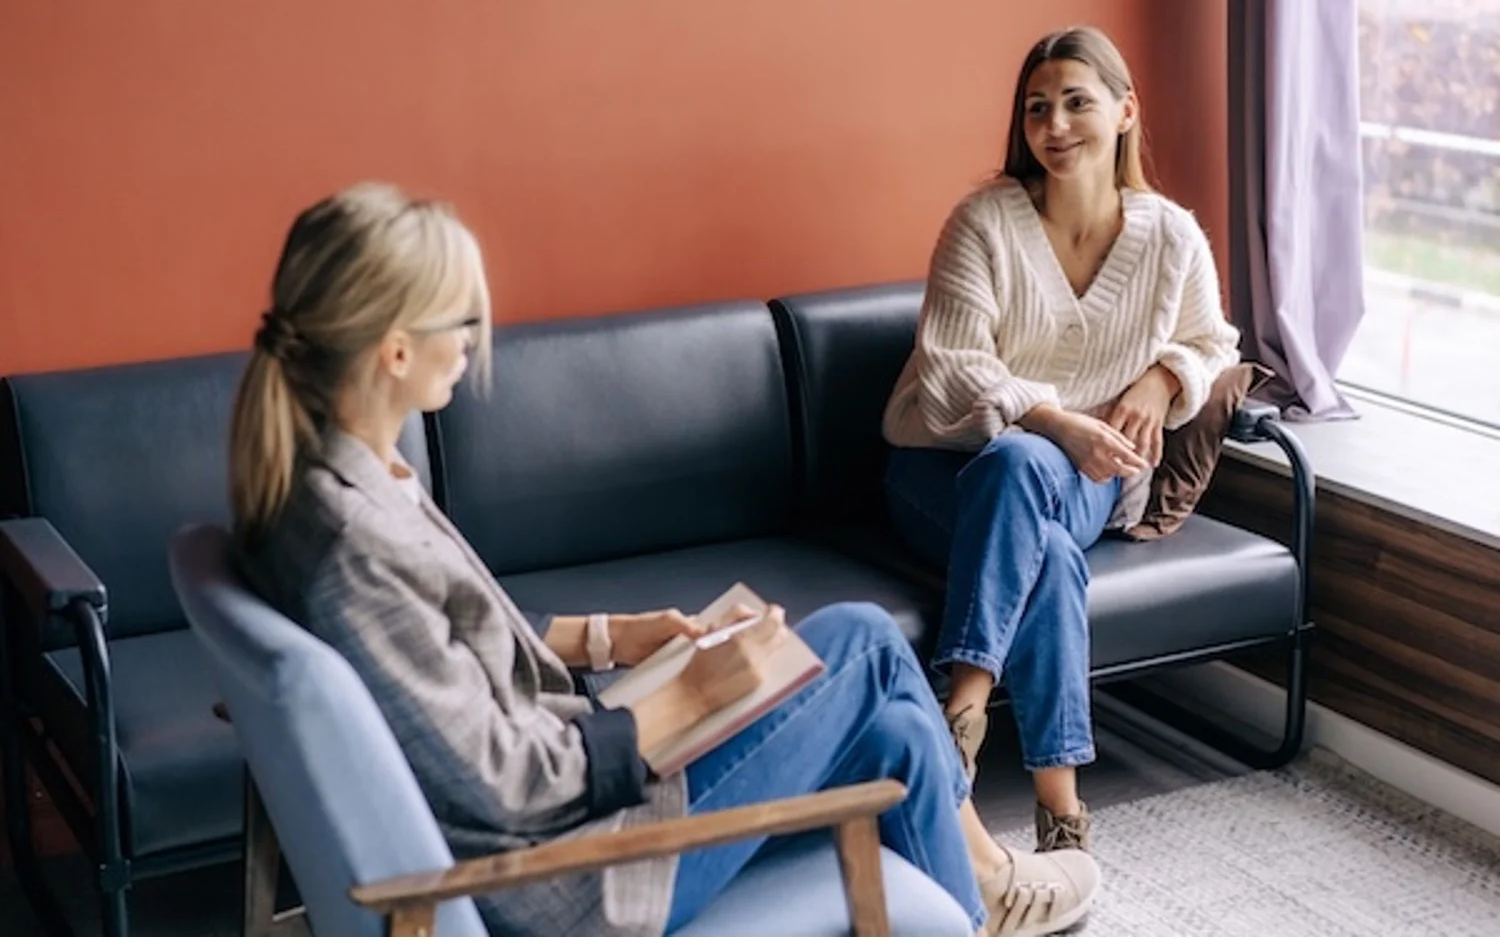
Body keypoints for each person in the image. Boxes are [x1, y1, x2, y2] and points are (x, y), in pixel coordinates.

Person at [226, 182, 1099, 936]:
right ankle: (986, 887)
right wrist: (684, 702)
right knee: (866, 646)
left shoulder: (338, 484)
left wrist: (618, 638)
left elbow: (442, 649)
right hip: (574, 874)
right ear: (395, 350)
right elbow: (502, 783)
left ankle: (975, 903)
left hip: (572, 807)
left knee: (900, 727)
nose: (474, 340)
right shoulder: (350, 545)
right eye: (461, 317)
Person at [882, 26, 1241, 854]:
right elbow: (948, 365)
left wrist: (1163, 378)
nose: (1055, 124)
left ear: (1124, 111)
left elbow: (1213, 341)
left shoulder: (1171, 236)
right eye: (1037, 107)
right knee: (1037, 524)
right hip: (942, 468)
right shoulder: (983, 223)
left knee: (1026, 477)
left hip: (1095, 478)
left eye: (1077, 102)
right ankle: (1060, 806)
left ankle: (960, 713)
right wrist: (1049, 418)